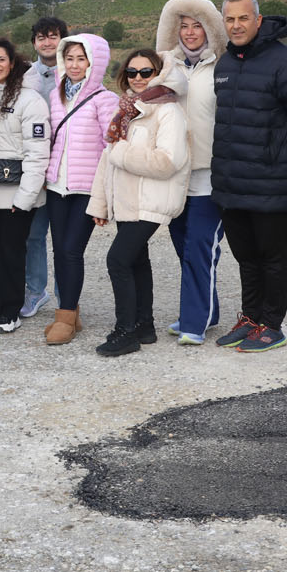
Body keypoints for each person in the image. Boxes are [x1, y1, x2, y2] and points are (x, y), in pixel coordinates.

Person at [211, 0, 287, 354]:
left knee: (274, 257)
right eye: (230, 19)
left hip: (271, 181)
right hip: (231, 180)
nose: (236, 25)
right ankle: (250, 318)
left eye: (243, 18)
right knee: (246, 256)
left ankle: (272, 325)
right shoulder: (225, 64)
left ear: (258, 20)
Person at [87, 50, 190, 357]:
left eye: (146, 72)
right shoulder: (128, 109)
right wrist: (100, 204)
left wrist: (121, 152)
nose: (138, 78)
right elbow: (107, 160)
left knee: (117, 260)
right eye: (132, 72)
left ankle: (125, 332)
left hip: (151, 200)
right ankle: (144, 325)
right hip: (127, 201)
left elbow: (167, 161)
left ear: (159, 74)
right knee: (136, 261)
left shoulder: (168, 111)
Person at [154, 0, 227, 346]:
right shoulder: (167, 67)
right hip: (176, 175)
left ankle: (194, 323)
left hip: (212, 175)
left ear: (209, 28)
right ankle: (207, 311)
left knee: (201, 245)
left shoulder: (223, 67)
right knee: (184, 245)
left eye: (197, 25)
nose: (190, 32)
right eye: (184, 25)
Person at [42, 34, 120, 346]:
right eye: (70, 58)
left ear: (94, 62)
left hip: (86, 189)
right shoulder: (55, 96)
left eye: (81, 59)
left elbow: (110, 150)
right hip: (56, 186)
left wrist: (105, 199)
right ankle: (70, 313)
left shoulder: (105, 99)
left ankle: (64, 318)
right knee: (59, 250)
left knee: (72, 250)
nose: (74, 65)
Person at [0, 37, 50, 336]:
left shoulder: (30, 100)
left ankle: (10, 310)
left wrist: (26, 197)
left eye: (1, 59)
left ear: (13, 62)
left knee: (12, 254)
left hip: (17, 194)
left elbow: (37, 152)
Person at [22, 16, 68, 320]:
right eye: (41, 37)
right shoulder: (25, 77)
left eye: (53, 36)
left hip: (66, 169)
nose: (47, 42)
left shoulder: (77, 73)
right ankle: (35, 291)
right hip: (35, 168)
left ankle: (67, 298)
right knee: (33, 236)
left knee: (64, 240)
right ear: (34, 43)